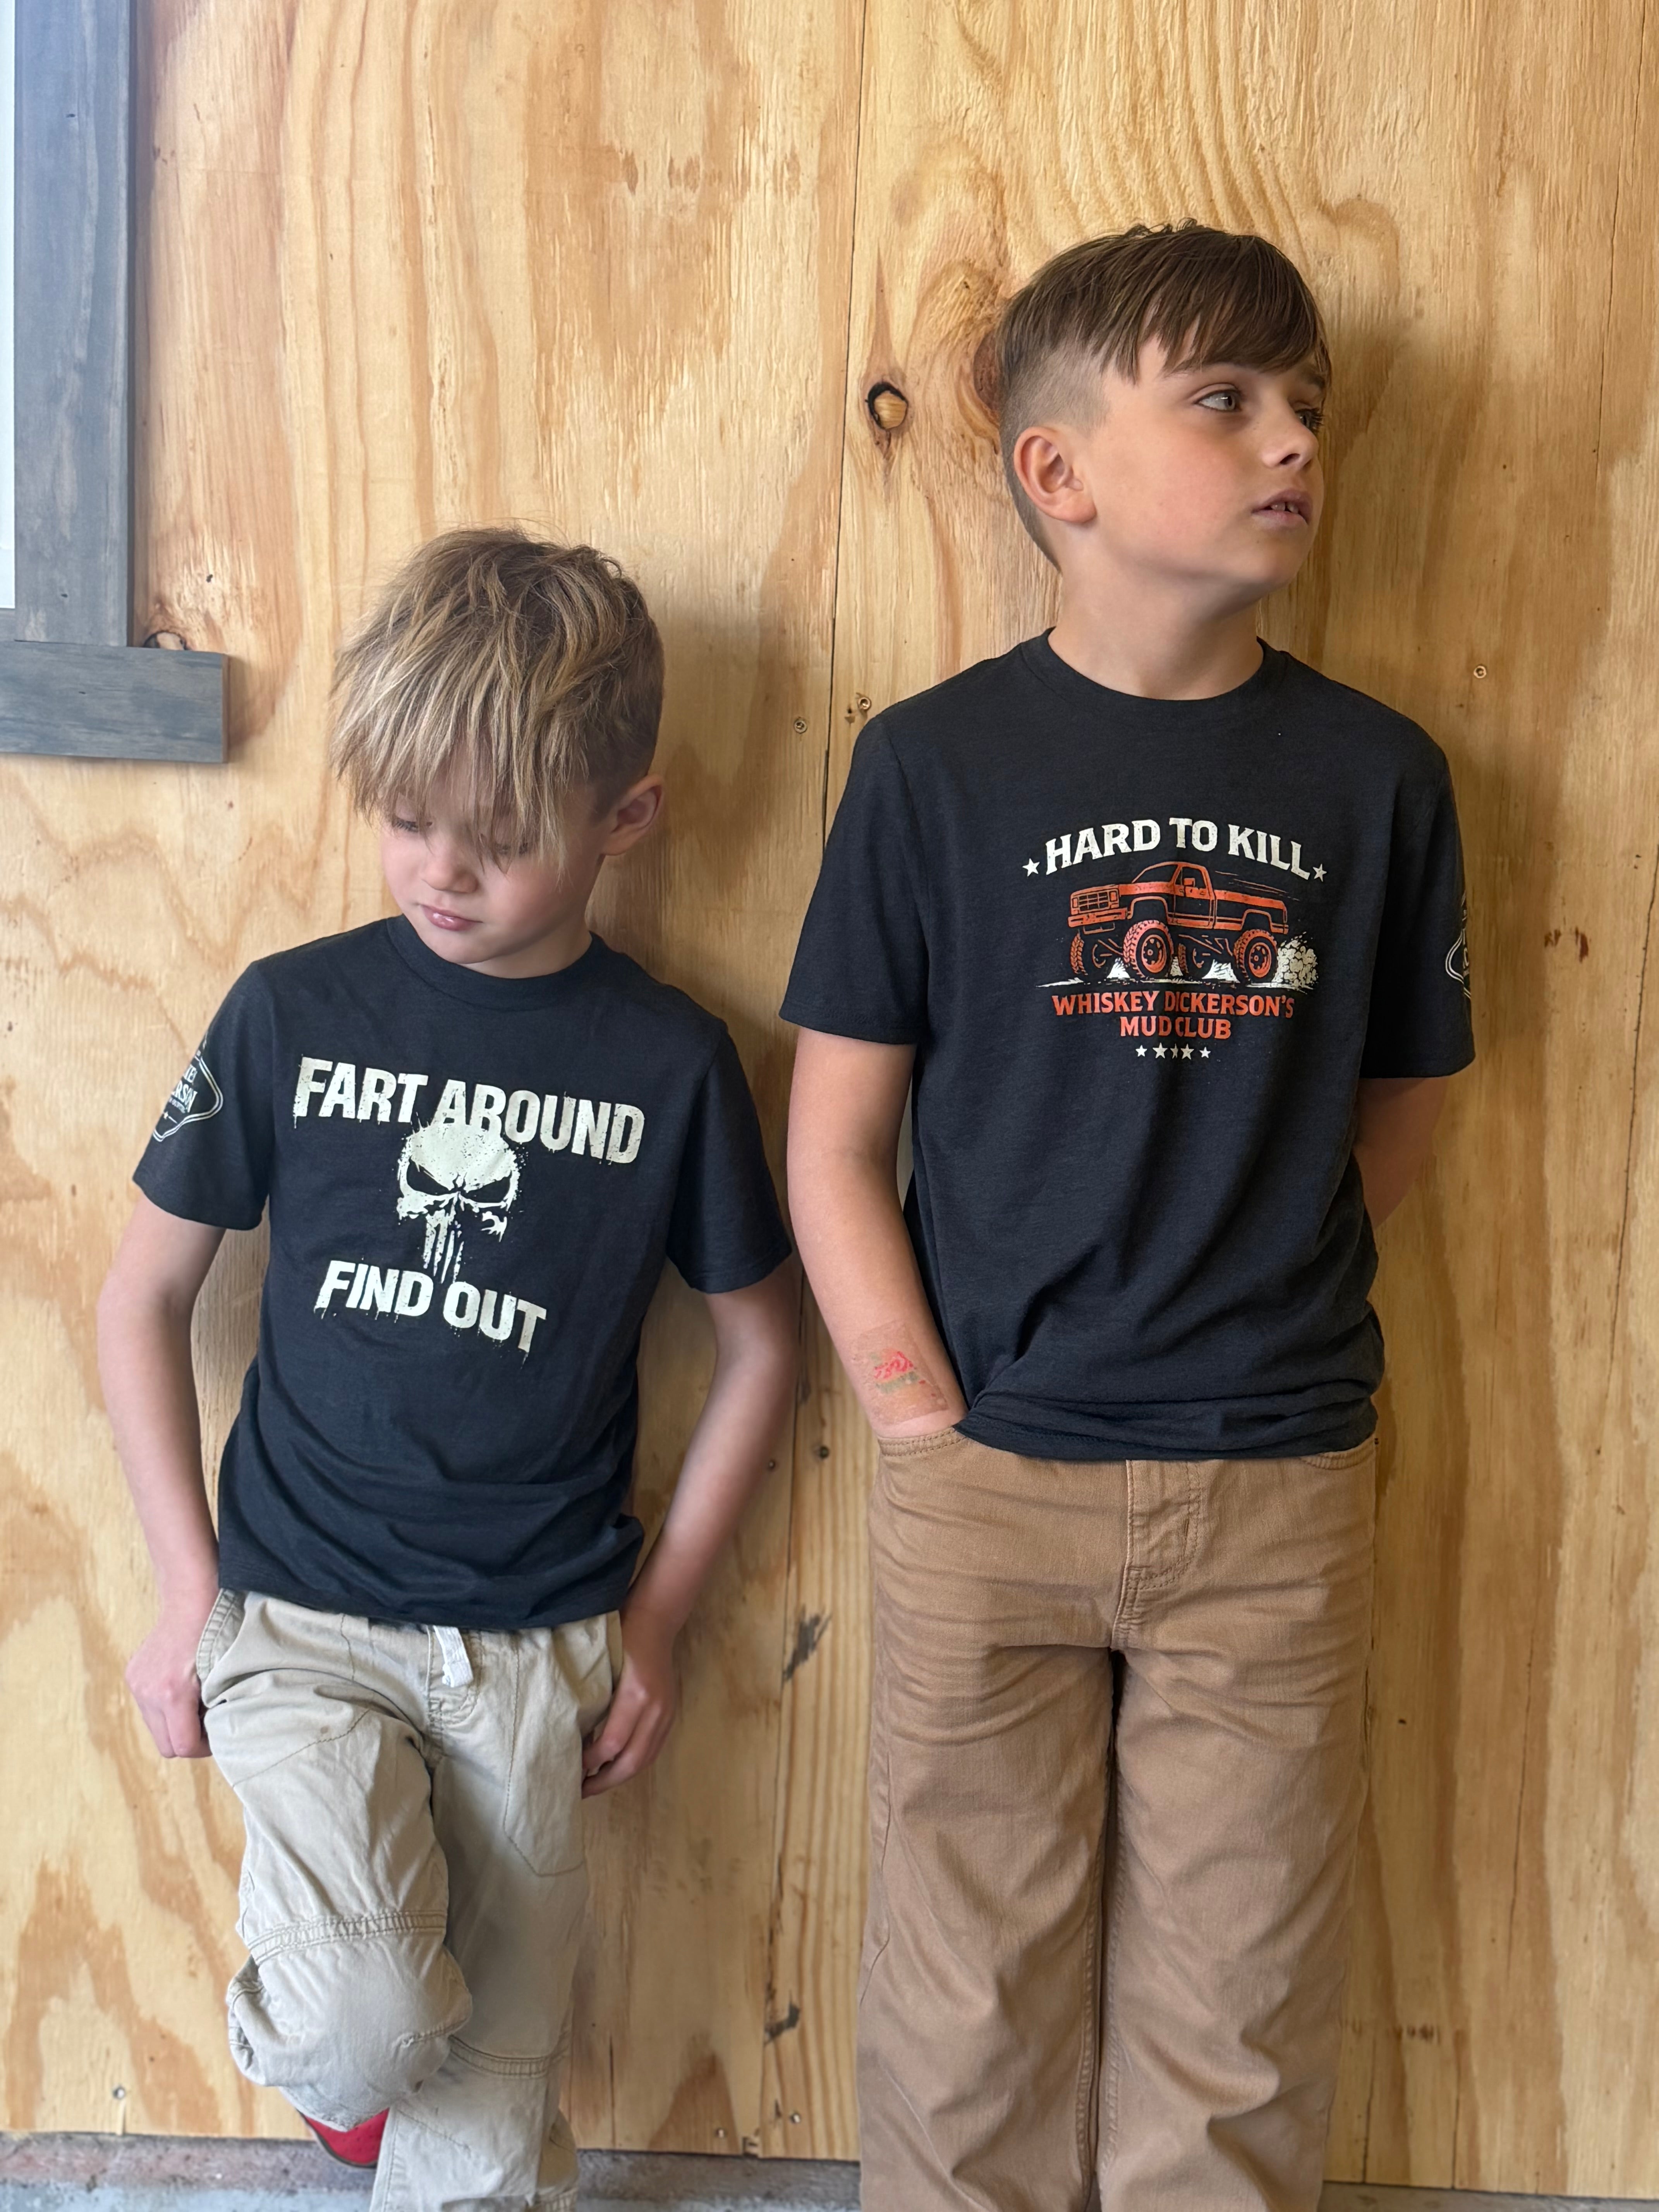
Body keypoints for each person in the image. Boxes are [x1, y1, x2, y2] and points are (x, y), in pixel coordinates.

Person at [783, 223, 1474, 2212]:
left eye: (1309, 409)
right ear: (1056, 473)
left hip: (1274, 1486)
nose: (1292, 446)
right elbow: (835, 1138)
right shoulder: (929, 769)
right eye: (1228, 401)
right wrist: (922, 1417)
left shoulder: (1380, 777)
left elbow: (1405, 1105)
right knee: (961, 2005)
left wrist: (1262, 1281)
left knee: (1238, 2026)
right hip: (990, 1474)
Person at [98, 528, 796, 2212]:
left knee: (485, 2150)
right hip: (302, 1625)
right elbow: (140, 1303)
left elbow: (768, 1343)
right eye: (410, 823)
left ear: (623, 819)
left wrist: (658, 1618)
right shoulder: (288, 1013)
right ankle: (335, 2084)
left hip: (538, 1648)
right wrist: (186, 1594)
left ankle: (412, 2131)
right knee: (370, 2026)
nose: (441, 873)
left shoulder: (670, 1061)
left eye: (500, 842)